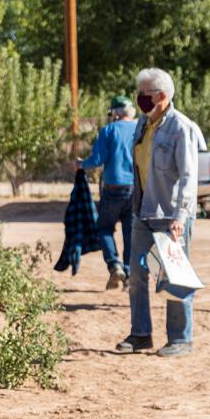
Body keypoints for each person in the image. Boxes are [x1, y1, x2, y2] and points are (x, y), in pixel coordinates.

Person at [116, 68, 201, 358]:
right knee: (137, 275)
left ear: (162, 96)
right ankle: (140, 334)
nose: (140, 99)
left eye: (145, 95)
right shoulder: (142, 124)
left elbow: (190, 176)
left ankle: (180, 339)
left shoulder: (181, 127)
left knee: (175, 277)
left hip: (170, 214)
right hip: (143, 210)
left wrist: (181, 216)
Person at [77, 95, 137, 289]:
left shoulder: (109, 130)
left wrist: (81, 164)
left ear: (116, 113)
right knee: (130, 233)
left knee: (103, 228)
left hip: (113, 188)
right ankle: (128, 273)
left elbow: (97, 159)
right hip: (135, 189)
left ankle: (114, 264)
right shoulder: (141, 129)